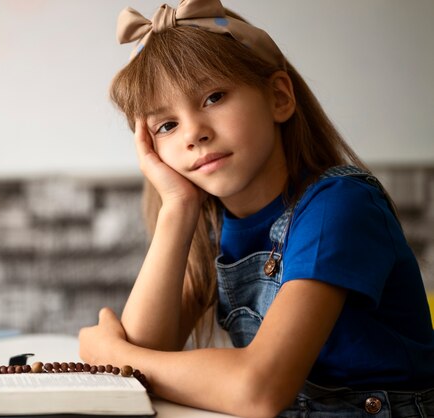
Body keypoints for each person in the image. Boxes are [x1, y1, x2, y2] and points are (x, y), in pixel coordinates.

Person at [78, 1, 434, 417]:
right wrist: (177, 206)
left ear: (279, 97)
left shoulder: (337, 207)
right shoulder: (215, 228)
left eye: (213, 96)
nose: (194, 133)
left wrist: (116, 356)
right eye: (167, 125)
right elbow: (146, 353)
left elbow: (259, 390)